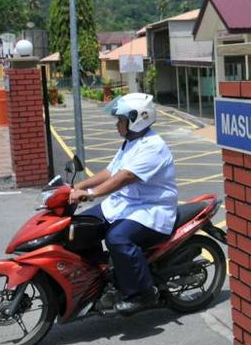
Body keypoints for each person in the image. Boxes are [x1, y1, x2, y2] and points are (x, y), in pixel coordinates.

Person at [68, 93, 178, 315]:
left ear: (138, 119)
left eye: (121, 120)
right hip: (126, 204)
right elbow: (110, 172)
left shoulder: (152, 146)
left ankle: (142, 293)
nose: (117, 124)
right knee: (80, 226)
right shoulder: (130, 142)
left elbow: (125, 177)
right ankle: (103, 277)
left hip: (151, 209)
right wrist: (77, 187)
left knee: (117, 238)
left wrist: (91, 193)